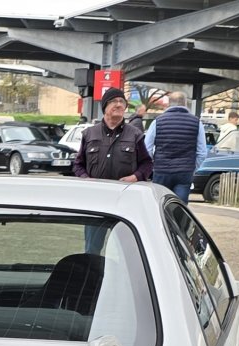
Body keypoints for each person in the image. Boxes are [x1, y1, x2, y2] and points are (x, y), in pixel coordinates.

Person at [73, 86, 152, 251]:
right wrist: (86, 179)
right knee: (92, 250)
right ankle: (93, 276)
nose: (118, 104)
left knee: (128, 252)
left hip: (125, 202)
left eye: (121, 102)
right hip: (96, 201)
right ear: (104, 108)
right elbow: (78, 164)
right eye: (114, 101)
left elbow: (147, 164)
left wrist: (135, 177)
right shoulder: (89, 134)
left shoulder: (135, 135)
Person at [143, 90, 206, 202]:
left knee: (160, 205)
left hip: (161, 171)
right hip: (184, 172)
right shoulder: (197, 122)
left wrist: (155, 164)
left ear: (168, 104)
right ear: (185, 103)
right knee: (179, 207)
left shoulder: (157, 121)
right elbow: (202, 153)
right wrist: (192, 168)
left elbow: (147, 148)